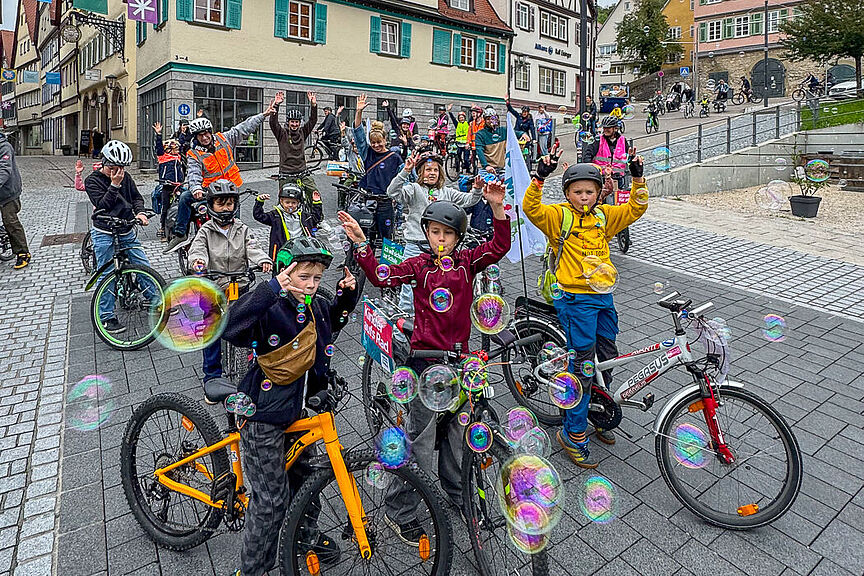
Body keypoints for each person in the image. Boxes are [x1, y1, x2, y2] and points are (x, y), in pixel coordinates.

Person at [338, 182, 510, 541]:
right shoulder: (418, 266)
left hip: (461, 361)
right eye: (435, 232)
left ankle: (453, 491)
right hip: (425, 362)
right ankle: (399, 510)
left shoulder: (467, 263)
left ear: (458, 237)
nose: (441, 239)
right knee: (419, 441)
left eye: (448, 233)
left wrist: (496, 209)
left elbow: (499, 246)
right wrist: (360, 243)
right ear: (427, 233)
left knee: (457, 434)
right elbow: (380, 274)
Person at [222, 237, 359, 576]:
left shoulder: (315, 305)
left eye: (317, 277)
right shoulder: (270, 308)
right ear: (286, 274)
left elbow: (331, 326)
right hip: (262, 417)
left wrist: (346, 295)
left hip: (296, 414)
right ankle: (252, 569)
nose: (311, 285)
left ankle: (305, 536)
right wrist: (270, 288)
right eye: (303, 277)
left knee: (308, 480)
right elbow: (230, 327)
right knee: (270, 501)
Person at [523, 154, 648, 468]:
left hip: (604, 297)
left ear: (598, 192)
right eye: (577, 192)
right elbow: (531, 209)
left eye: (589, 191)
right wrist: (539, 177)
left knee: (606, 355)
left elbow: (636, 208)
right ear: (567, 194)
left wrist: (637, 178)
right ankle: (573, 432)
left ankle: (597, 411)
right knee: (583, 366)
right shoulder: (559, 217)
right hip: (576, 300)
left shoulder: (604, 217)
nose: (583, 197)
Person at [165, 96, 277, 253]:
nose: (204, 137)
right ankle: (180, 234)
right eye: (200, 135)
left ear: (210, 132)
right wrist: (196, 188)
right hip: (210, 191)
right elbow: (194, 172)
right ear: (196, 137)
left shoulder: (224, 139)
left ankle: (238, 250)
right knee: (184, 198)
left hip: (231, 188)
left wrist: (264, 115)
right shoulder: (194, 153)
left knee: (235, 223)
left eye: (206, 133)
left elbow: (244, 127)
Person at [188, 180, 272, 383]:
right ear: (211, 205)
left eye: (229, 204)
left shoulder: (242, 229)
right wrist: (198, 262)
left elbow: (253, 246)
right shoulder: (206, 231)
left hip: (240, 284)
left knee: (250, 322)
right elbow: (197, 250)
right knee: (212, 331)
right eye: (220, 203)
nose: (225, 208)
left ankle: (251, 363)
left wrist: (262, 260)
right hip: (214, 286)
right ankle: (212, 375)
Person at [386, 151, 484, 313]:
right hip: (415, 247)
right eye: (428, 170)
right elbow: (392, 192)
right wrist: (406, 171)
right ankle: (401, 336)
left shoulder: (447, 192)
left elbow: (469, 200)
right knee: (409, 293)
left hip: (440, 249)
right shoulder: (414, 189)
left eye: (435, 170)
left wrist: (477, 190)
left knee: (438, 291)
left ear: (440, 173)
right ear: (421, 173)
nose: (432, 173)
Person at [85, 141, 156, 333]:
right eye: (113, 168)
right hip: (104, 232)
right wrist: (114, 185)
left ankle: (155, 300)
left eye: (121, 168)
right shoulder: (92, 181)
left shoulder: (127, 177)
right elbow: (102, 205)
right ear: (104, 163)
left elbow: (136, 198)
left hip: (125, 229)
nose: (118, 172)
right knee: (106, 274)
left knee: (143, 265)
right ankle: (106, 316)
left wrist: (140, 212)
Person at [353, 93, 403, 240]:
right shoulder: (367, 152)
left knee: (386, 238)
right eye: (373, 142)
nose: (376, 145)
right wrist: (359, 112)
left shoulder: (395, 158)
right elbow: (358, 134)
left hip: (386, 202)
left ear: (385, 140)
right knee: (364, 237)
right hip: (367, 200)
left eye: (379, 142)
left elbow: (403, 179)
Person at [270, 91, 320, 203]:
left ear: (299, 123)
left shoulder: (303, 132)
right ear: (288, 122)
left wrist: (313, 106)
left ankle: (318, 218)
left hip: (302, 172)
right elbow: (273, 123)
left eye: (297, 122)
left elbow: (313, 120)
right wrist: (276, 105)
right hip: (286, 174)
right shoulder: (281, 134)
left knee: (315, 194)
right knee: (283, 201)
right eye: (292, 122)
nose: (294, 124)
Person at [253, 183, 323, 261]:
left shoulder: (304, 216)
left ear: (298, 203)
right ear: (281, 201)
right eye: (287, 202)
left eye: (294, 203)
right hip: (282, 252)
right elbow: (259, 216)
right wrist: (259, 202)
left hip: (302, 252)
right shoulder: (275, 215)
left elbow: (316, 218)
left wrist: (317, 203)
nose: (290, 205)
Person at [0, 131, 29, 269]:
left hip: (8, 192)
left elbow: (5, 169)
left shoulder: (4, 147)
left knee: (10, 221)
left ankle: (23, 253)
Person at [152, 122, 186, 241]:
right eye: (175, 148)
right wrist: (158, 134)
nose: (177, 149)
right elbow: (158, 147)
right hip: (167, 185)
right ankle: (162, 229)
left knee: (183, 205)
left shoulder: (178, 157)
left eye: (177, 148)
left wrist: (182, 132)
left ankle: (181, 227)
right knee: (165, 208)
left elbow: (181, 143)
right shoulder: (163, 157)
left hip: (178, 185)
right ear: (170, 149)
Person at [583, 116, 630, 190]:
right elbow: (587, 156)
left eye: (608, 128)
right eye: (604, 128)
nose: (605, 130)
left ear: (615, 128)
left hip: (618, 178)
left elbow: (629, 157)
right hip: (600, 178)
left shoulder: (623, 140)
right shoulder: (598, 140)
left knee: (616, 200)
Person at [474, 107, 508, 174]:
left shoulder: (503, 131)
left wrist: (523, 134)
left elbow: (515, 133)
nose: (490, 121)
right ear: (485, 121)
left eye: (493, 118)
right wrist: (486, 166)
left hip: (501, 169)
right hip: (486, 169)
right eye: (488, 119)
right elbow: (479, 150)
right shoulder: (480, 134)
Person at [447, 105, 471, 173]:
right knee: (457, 157)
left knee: (466, 159)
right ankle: (458, 170)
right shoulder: (457, 124)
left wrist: (473, 109)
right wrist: (449, 111)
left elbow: (472, 118)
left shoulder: (468, 123)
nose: (461, 118)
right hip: (458, 143)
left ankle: (468, 169)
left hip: (466, 143)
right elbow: (453, 118)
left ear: (464, 118)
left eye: (462, 117)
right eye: (460, 117)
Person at [466, 105, 484, 173]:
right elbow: (469, 134)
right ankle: (474, 172)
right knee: (473, 161)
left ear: (479, 113)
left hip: (482, 146)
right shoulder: (471, 123)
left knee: (481, 162)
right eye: (472, 113)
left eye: (474, 113)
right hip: (473, 146)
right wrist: (467, 143)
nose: (472, 114)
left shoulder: (484, 123)